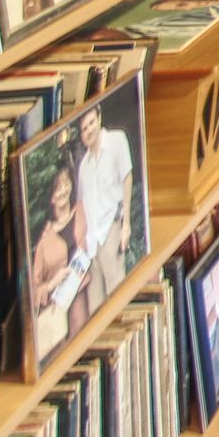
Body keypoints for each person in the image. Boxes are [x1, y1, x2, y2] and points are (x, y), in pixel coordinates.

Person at [75, 103, 137, 303]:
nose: (89, 131)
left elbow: (127, 178)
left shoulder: (116, 140)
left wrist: (126, 224)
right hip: (92, 243)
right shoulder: (84, 166)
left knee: (117, 298)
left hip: (111, 230)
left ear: (99, 118)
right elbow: (84, 204)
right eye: (84, 129)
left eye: (91, 123)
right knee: (96, 308)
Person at [28, 164, 89, 358]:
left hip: (85, 292)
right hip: (58, 310)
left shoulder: (82, 210)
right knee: (69, 357)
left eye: (66, 183)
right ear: (51, 197)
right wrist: (53, 282)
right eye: (58, 187)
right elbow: (34, 290)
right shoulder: (44, 243)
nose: (63, 189)